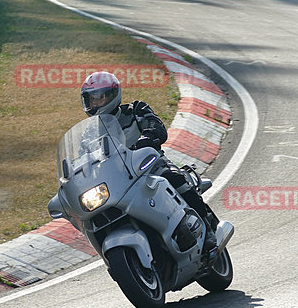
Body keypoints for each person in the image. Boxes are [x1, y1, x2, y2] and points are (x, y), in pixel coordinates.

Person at [80, 71, 218, 258]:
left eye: (99, 98)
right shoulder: (89, 133)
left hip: (149, 165)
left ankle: (208, 228)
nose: (94, 103)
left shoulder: (135, 110)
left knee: (173, 178)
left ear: (113, 95)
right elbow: (83, 159)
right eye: (91, 99)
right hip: (117, 181)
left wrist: (148, 137)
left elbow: (156, 126)